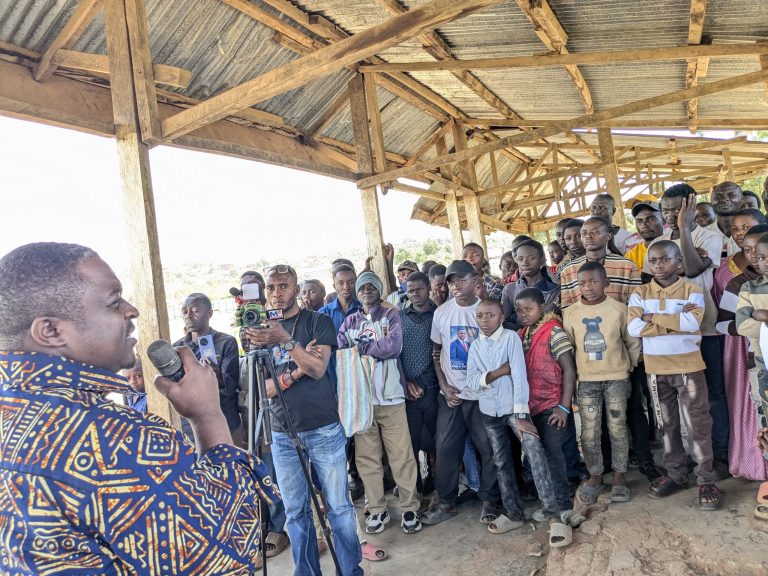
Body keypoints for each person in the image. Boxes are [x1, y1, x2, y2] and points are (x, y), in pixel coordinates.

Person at [0, 242, 276, 574]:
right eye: (114, 301)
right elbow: (229, 549)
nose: (132, 310)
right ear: (51, 331)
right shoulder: (108, 440)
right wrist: (207, 416)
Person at [245, 264, 363, 576]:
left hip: (323, 427)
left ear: (296, 290)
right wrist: (296, 369)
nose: (276, 293)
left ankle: (350, 571)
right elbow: (262, 389)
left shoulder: (317, 321)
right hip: (282, 432)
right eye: (271, 287)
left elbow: (318, 369)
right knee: (296, 513)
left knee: (339, 508)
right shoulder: (258, 331)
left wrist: (286, 340)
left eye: (283, 286)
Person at [466, 299, 573, 547]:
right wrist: (496, 373)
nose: (484, 320)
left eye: (490, 315)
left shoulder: (511, 339)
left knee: (535, 452)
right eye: (480, 316)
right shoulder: (475, 346)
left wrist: (521, 415)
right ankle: (514, 513)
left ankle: (554, 515)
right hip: (489, 412)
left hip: (514, 409)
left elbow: (519, 375)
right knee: (501, 461)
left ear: (501, 317)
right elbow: (470, 382)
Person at [628, 241, 722, 510]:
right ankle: (676, 474)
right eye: (653, 260)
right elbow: (633, 328)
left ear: (678, 262)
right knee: (666, 425)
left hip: (688, 368)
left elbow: (691, 323)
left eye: (665, 259)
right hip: (656, 371)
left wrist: (652, 318)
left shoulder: (692, 290)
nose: (658, 265)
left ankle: (706, 479)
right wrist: (674, 321)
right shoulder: (640, 292)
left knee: (697, 424)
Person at [651, 184, 730, 473]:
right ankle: (684, 458)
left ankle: (719, 456)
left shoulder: (709, 236)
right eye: (667, 210)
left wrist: (685, 231)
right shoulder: (658, 242)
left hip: (704, 328)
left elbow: (694, 269)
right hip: (669, 334)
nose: (672, 215)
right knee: (675, 399)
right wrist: (683, 260)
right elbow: (656, 279)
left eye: (678, 209)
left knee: (713, 395)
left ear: (692, 207)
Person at [337, 271, 422, 535]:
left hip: (391, 398)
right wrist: (372, 348)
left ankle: (409, 508)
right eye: (362, 287)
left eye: (371, 287)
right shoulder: (349, 322)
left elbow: (392, 347)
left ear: (379, 290)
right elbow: (343, 352)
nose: (366, 291)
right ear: (357, 292)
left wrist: (361, 348)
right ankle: (377, 509)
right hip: (362, 400)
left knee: (402, 455)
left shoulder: (391, 316)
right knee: (367, 458)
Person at [421, 260, 502, 526]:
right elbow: (436, 353)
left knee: (489, 448)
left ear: (474, 280)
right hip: (453, 395)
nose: (456, 285)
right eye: (451, 280)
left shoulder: (485, 311)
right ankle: (446, 502)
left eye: (461, 279)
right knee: (445, 448)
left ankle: (490, 500)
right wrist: (444, 386)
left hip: (482, 395)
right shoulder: (442, 313)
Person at [563, 262, 641, 505]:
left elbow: (632, 342)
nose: (588, 287)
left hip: (617, 378)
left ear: (606, 282)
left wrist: (628, 366)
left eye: (594, 281)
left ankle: (619, 475)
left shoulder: (619, 310)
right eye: (582, 283)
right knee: (589, 431)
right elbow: (569, 348)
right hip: (587, 381)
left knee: (617, 427)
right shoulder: (571, 313)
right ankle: (595, 475)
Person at [514, 288, 578, 527]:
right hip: (530, 405)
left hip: (552, 405)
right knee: (537, 457)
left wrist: (564, 407)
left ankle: (564, 507)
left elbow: (569, 369)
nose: (523, 314)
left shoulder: (554, 331)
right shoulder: (522, 334)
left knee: (553, 456)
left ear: (542, 307)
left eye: (529, 309)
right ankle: (550, 506)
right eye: (519, 310)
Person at [713, 215, 768, 481]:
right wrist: (749, 323)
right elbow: (724, 323)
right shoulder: (740, 285)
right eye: (748, 250)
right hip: (756, 360)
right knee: (762, 416)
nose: (755, 256)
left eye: (760, 250)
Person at [174, 292, 243, 441]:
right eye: (185, 311)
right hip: (190, 426)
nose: (189, 315)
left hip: (225, 421)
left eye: (195, 311)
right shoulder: (178, 348)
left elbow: (230, 387)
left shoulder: (226, 342)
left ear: (209, 314)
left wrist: (215, 374)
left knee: (229, 456)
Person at [400, 272, 440, 496]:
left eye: (419, 289)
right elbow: (395, 354)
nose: (415, 294)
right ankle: (414, 490)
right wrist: (405, 382)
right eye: (411, 290)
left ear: (428, 289)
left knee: (436, 440)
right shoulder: (399, 317)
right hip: (408, 392)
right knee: (411, 443)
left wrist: (426, 383)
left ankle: (436, 481)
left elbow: (440, 354)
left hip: (434, 389)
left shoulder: (439, 315)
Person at [559, 216, 641, 308]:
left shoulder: (627, 266)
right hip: (580, 317)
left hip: (622, 317)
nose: (588, 236)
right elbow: (567, 308)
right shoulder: (567, 271)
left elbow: (636, 306)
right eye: (584, 233)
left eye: (595, 232)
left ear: (608, 236)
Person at [501, 239, 560, 330]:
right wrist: (520, 329)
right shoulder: (510, 289)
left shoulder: (555, 290)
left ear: (541, 260)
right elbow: (503, 321)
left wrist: (515, 318)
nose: (525, 263)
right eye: (520, 259)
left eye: (531, 258)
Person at [624, 200, 665, 275]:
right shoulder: (631, 256)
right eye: (639, 221)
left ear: (663, 220)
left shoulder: (676, 247)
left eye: (651, 219)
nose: (644, 225)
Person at [709, 181, 743, 257]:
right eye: (718, 197)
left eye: (732, 195)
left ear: (741, 201)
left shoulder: (753, 232)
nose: (724, 199)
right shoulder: (702, 235)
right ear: (711, 201)